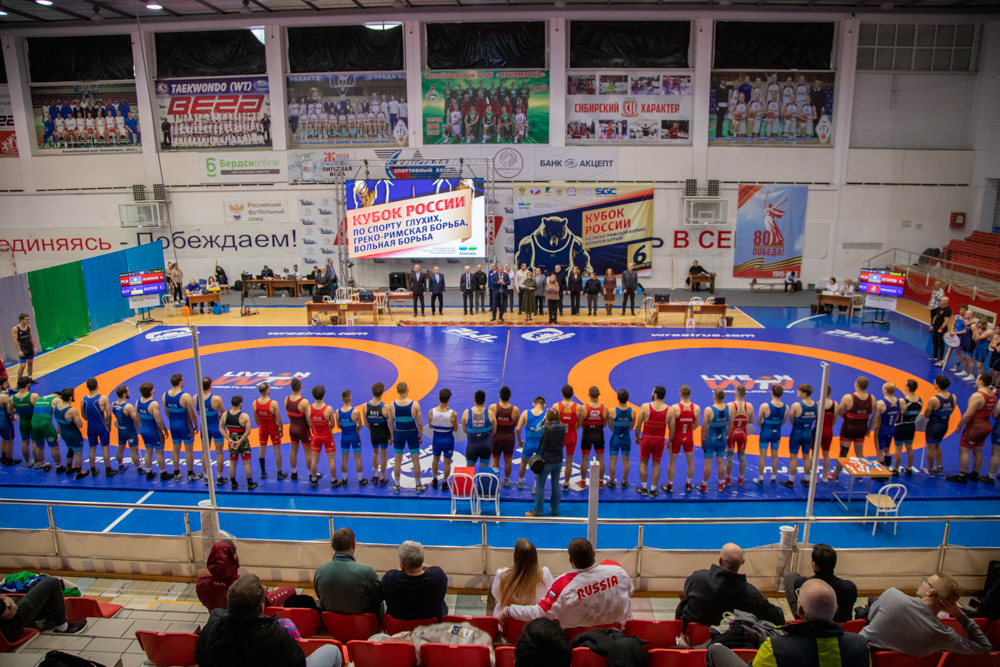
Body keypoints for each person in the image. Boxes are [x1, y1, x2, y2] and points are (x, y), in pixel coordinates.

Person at [707, 579, 869, 667]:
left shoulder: (777, 647)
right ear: (836, 610)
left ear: (799, 610)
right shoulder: (860, 645)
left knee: (715, 650)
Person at [196, 574, 342, 667]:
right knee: (333, 651)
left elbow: (201, 657)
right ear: (261, 607)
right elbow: (298, 663)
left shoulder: (212, 626)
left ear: (229, 604)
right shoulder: (276, 634)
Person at [498, 538, 633, 629]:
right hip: (620, 636)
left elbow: (539, 613)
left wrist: (510, 610)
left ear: (570, 561)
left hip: (579, 643)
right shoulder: (617, 569)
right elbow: (630, 591)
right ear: (593, 553)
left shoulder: (563, 585)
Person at [860, 573, 991, 657]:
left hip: (860, 657)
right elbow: (984, 646)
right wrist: (959, 615)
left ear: (930, 592)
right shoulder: (942, 635)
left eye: (926, 581)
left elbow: (870, 618)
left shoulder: (892, 595)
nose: (922, 582)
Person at [676, 543, 784, 628]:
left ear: (720, 560)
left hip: (692, 638)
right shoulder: (752, 595)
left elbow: (686, 594)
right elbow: (778, 618)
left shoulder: (696, 579)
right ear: (742, 562)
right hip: (730, 642)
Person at [198, 541, 295, 612]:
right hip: (244, 623)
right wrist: (261, 591)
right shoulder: (244, 585)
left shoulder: (202, 583)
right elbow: (266, 601)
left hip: (220, 621)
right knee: (289, 590)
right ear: (233, 557)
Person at [314, 528, 384, 619]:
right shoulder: (367, 573)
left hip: (333, 624)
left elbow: (320, 596)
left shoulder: (320, 571)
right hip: (363, 625)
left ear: (332, 545)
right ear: (354, 544)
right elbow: (380, 596)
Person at [783, 544, 858, 624]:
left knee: (790, 576)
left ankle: (799, 616)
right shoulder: (850, 587)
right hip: (841, 626)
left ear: (815, 565)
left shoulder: (802, 584)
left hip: (809, 623)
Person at [1, 576, 87, 641]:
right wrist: (6, 602)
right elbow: (7, 612)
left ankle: (40, 623)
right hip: (6, 631)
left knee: (15, 599)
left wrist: (4, 599)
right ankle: (63, 628)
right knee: (52, 582)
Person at [380, 540, 448, 621]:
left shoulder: (390, 578)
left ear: (402, 563)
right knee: (444, 606)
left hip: (397, 626)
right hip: (431, 626)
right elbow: (431, 568)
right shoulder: (438, 575)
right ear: (421, 560)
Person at [948, 373, 995, 483]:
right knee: (978, 450)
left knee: (964, 450)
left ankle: (962, 475)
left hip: (974, 427)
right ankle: (975, 473)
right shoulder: (992, 394)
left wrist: (959, 424)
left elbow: (969, 414)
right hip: (986, 426)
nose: (976, 380)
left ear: (981, 381)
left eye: (978, 378)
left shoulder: (977, 396)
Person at [492, 539, 554, 617]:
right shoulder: (545, 574)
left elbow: (496, 595)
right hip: (533, 620)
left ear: (515, 556)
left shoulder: (502, 575)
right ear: (535, 556)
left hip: (507, 620)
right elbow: (552, 597)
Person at [830, 377, 873, 482]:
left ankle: (836, 475)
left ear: (856, 384)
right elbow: (870, 412)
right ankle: (860, 475)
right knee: (859, 452)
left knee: (843, 452)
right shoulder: (872, 398)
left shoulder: (848, 398)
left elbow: (840, 412)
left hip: (849, 428)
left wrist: (848, 418)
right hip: (862, 427)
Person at [163, 374, 204, 482]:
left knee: (175, 449)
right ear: (181, 382)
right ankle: (190, 474)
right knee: (189, 450)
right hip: (185, 425)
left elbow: (166, 412)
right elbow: (192, 414)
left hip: (173, 425)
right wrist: (196, 425)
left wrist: (173, 421)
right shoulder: (185, 396)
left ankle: (176, 473)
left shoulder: (164, 395)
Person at [526, 408, 564, 517]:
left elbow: (537, 429)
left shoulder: (546, 427)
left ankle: (538, 511)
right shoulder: (562, 427)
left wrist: (544, 418)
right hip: (558, 460)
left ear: (549, 417)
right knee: (556, 485)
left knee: (540, 486)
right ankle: (555, 509)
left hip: (546, 461)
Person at [388, 382, 425, 493]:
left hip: (399, 433)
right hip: (412, 434)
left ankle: (396, 485)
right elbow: (419, 423)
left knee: (397, 461)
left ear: (397, 391)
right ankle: (418, 485)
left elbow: (390, 423)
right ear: (408, 390)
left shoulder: (392, 405)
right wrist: (420, 435)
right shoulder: (415, 405)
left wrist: (392, 436)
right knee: (415, 461)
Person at [635, 385, 670, 497]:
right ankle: (653, 490)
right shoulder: (669, 410)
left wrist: (637, 436)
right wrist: (670, 441)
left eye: (653, 392)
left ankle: (644, 488)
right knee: (656, 464)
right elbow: (672, 429)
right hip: (659, 440)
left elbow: (638, 425)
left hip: (646, 439)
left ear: (655, 395)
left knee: (643, 462)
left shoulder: (645, 406)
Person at [784, 384, 817, 489]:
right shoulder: (817, 405)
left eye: (799, 391)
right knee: (806, 457)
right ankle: (807, 480)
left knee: (793, 457)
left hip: (797, 432)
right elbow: (818, 419)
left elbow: (791, 420)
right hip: (808, 432)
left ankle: (790, 481)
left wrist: (797, 426)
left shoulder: (796, 405)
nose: (797, 392)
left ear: (804, 394)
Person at [753, 385, 787, 487]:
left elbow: (758, 421)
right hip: (776, 433)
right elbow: (783, 422)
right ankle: (773, 479)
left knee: (762, 456)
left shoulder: (765, 406)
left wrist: (764, 428)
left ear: (772, 393)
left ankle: (761, 479)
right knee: (775, 456)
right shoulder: (786, 407)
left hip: (765, 432)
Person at [307, 385, 339, 489]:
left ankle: (313, 479)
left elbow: (310, 423)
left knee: (314, 459)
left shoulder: (309, 408)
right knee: (331, 459)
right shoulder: (328, 409)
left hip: (316, 435)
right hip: (327, 436)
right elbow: (332, 425)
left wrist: (316, 428)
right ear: (324, 395)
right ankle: (334, 480)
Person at [922, 375, 955, 477]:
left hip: (933, 426)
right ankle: (939, 467)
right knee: (937, 445)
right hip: (944, 425)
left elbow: (926, 415)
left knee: (930, 447)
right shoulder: (953, 397)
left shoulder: (934, 399)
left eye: (935, 382)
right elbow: (951, 410)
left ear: (938, 385)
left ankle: (930, 470)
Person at [136, 382, 169, 481]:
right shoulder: (153, 404)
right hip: (154, 431)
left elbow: (137, 417)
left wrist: (145, 424)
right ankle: (163, 473)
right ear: (151, 391)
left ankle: (149, 472)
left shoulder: (138, 401)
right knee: (159, 453)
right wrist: (164, 429)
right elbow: (158, 420)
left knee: (148, 451)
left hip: (144, 430)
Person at [253, 382, 286, 481]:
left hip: (263, 429)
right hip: (273, 429)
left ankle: (263, 472)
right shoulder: (273, 403)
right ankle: (279, 473)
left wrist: (261, 426)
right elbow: (278, 419)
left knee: (262, 450)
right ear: (267, 390)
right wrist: (281, 429)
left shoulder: (255, 403)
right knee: (277, 451)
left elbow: (255, 418)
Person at [701, 389, 731, 493]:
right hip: (722, 439)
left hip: (710, 440)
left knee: (708, 463)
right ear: (724, 397)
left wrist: (702, 439)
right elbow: (731, 425)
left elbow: (704, 428)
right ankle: (721, 484)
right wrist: (725, 435)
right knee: (721, 462)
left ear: (714, 396)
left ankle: (704, 485)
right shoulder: (729, 408)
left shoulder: (709, 410)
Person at [578, 386, 607, 489]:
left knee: (584, 459)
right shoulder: (604, 408)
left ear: (589, 395)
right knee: (600, 458)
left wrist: (588, 427)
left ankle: (583, 482)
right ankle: (600, 482)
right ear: (599, 395)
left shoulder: (584, 408)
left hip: (587, 434)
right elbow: (604, 424)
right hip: (599, 434)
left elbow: (580, 423)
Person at [225, 395, 256, 491]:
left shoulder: (225, 415)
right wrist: (240, 441)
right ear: (240, 404)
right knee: (246, 464)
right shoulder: (244, 416)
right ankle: (250, 484)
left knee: (232, 463)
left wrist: (229, 439)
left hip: (232, 441)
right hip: (242, 441)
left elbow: (221, 428)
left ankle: (233, 483)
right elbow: (248, 431)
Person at [428, 388, 457, 490]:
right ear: (449, 399)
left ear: (438, 398)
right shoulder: (453, 414)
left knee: (435, 459)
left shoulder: (431, 412)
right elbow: (456, 429)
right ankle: (445, 483)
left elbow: (430, 426)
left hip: (436, 439)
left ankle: (435, 479)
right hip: (448, 440)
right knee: (447, 462)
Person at [516, 396, 546, 490]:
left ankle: (520, 482)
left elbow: (518, 429)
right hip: (540, 446)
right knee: (539, 464)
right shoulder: (546, 416)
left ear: (533, 404)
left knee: (523, 463)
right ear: (544, 405)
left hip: (529, 445)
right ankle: (535, 487)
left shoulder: (526, 413)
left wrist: (519, 440)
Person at [491, 386, 519, 487]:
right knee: (508, 460)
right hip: (509, 438)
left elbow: (490, 422)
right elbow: (516, 424)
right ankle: (506, 480)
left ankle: (496, 479)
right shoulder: (515, 409)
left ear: (499, 395)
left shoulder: (492, 407)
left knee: (495, 459)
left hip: (496, 437)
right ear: (510, 396)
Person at [726, 386, 754, 486]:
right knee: (742, 456)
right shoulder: (749, 406)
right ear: (744, 394)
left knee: (730, 456)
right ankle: (741, 478)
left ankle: (728, 479)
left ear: (735, 393)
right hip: (743, 433)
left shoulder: (730, 405)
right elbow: (751, 421)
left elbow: (727, 420)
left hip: (732, 433)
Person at [892, 379, 921, 477]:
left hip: (901, 426)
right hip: (911, 425)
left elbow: (900, 413)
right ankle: (909, 469)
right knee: (909, 447)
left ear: (908, 388)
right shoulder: (920, 400)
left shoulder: (902, 401)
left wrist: (894, 422)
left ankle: (895, 470)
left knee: (898, 449)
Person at [556, 384, 582, 492]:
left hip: (559, 436)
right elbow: (580, 424)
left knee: (556, 460)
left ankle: (555, 483)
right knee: (569, 461)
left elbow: (554, 422)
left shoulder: (556, 406)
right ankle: (566, 484)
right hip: (572, 435)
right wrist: (573, 429)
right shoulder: (579, 407)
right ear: (573, 394)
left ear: (562, 394)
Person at [284, 378, 311, 483]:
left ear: (291, 388)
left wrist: (294, 422)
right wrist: (312, 428)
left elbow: (288, 415)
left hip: (292, 428)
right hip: (303, 430)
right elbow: (307, 419)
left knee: (293, 451)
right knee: (308, 452)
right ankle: (311, 474)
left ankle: (294, 473)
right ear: (301, 387)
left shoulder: (286, 399)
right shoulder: (304, 402)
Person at [365, 383, 391, 487]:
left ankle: (375, 476)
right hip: (383, 433)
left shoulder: (366, 406)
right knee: (384, 456)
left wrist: (373, 430)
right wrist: (391, 435)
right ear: (382, 393)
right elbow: (390, 423)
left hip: (374, 433)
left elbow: (366, 423)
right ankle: (382, 477)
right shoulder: (386, 407)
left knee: (375, 453)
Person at [337, 390, 364, 486]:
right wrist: (354, 429)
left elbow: (338, 426)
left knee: (344, 459)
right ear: (351, 398)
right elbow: (360, 425)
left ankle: (344, 480)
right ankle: (360, 480)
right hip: (354, 436)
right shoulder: (356, 412)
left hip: (344, 436)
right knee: (358, 459)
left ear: (341, 399)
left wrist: (346, 428)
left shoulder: (338, 412)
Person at [608, 389, 633, 490]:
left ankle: (612, 482)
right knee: (626, 461)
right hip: (626, 438)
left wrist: (616, 432)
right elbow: (631, 426)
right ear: (628, 398)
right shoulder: (633, 412)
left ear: (617, 398)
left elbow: (610, 426)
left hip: (615, 438)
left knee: (612, 461)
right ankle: (624, 482)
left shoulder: (612, 412)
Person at [13, 378, 40, 469]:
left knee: (24, 442)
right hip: (33, 421)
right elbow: (40, 409)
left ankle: (28, 461)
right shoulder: (33, 396)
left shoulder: (12, 398)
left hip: (23, 422)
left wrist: (21, 409)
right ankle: (37, 461)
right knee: (34, 441)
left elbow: (10, 410)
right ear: (28, 385)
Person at [11, 314, 38, 383]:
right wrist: (19, 351)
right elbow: (15, 340)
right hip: (23, 349)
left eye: (28, 319)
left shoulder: (28, 327)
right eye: (26, 319)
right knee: (22, 366)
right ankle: (19, 382)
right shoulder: (16, 329)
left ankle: (30, 378)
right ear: (21, 320)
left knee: (30, 363)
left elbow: (31, 337)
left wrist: (34, 347)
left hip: (29, 348)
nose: (28, 321)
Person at [931, 296, 953, 365]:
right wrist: (932, 325)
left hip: (941, 329)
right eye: (941, 300)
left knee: (940, 343)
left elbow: (946, 321)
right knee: (934, 341)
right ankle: (935, 355)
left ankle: (940, 357)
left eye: (942, 300)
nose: (941, 301)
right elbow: (935, 317)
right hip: (935, 327)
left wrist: (941, 328)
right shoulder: (939, 308)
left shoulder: (947, 310)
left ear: (946, 302)